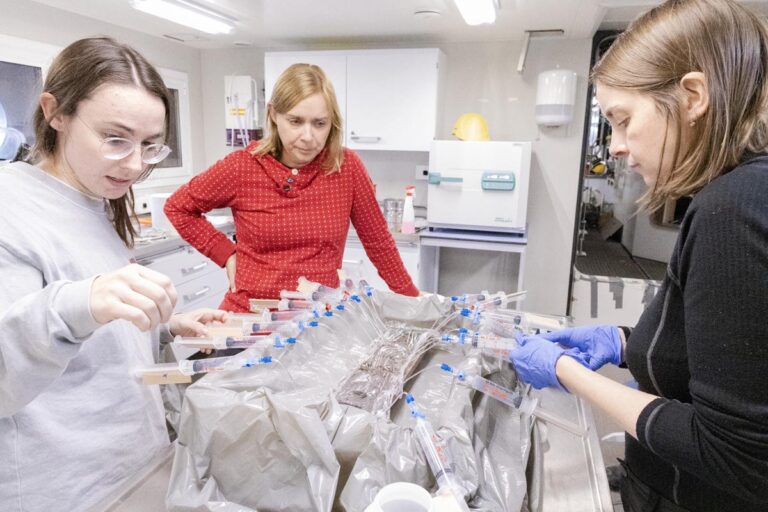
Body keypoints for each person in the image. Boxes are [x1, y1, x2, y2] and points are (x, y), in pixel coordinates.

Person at [508, 1, 768, 510]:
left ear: (693, 95)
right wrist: (626, 343)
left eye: (623, 120)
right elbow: (729, 359)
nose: (617, 147)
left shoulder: (732, 208)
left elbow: (736, 454)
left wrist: (567, 372)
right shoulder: (742, 193)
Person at [0, 37, 227, 512]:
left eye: (149, 145)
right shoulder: (10, 208)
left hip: (134, 465)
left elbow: (95, 328)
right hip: (66, 488)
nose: (135, 164)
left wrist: (164, 324)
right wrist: (80, 302)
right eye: (115, 138)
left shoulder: (96, 198)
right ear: (55, 112)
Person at [164, 63, 419, 312]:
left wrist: (412, 301)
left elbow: (378, 242)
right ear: (274, 114)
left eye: (320, 123)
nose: (308, 137)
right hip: (250, 316)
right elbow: (178, 207)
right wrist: (226, 253)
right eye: (295, 121)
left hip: (316, 321)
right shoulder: (242, 167)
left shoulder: (346, 166)